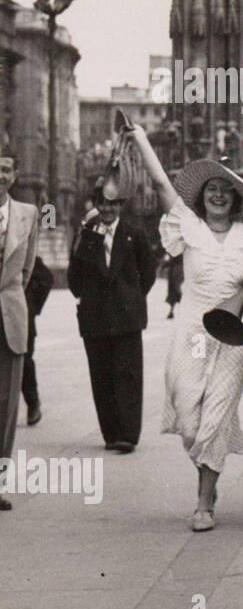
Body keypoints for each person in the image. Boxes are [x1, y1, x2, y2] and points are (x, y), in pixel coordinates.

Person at [129, 125, 243, 530]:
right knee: (189, 417)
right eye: (211, 190)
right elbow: (158, 181)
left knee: (216, 417)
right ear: (202, 197)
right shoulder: (186, 225)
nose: (219, 195)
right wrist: (139, 138)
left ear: (236, 197)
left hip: (233, 333)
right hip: (193, 329)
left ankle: (204, 500)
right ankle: (210, 469)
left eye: (226, 190)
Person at [67, 176, 157, 455]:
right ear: (96, 205)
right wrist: (88, 237)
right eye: (102, 204)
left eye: (113, 204)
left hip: (127, 316)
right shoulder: (88, 234)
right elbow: (75, 279)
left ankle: (128, 435)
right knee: (102, 376)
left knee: (128, 375)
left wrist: (130, 297)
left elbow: (148, 274)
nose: (107, 210)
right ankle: (111, 433)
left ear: (121, 205)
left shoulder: (135, 233)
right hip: (94, 317)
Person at [0, 150, 39, 511]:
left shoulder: (28, 214)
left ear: (14, 175)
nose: (0, 175)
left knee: (7, 406)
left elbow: (26, 271)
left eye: (6, 169)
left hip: (9, 318)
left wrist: (10, 299)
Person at [21, 255, 52, 427]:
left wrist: (32, 307)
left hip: (22, 318)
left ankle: (33, 404)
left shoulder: (24, 250)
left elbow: (46, 279)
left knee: (24, 362)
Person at [165, 253, 184, 319]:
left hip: (178, 269)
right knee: (173, 290)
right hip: (175, 269)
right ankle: (171, 311)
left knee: (176, 289)